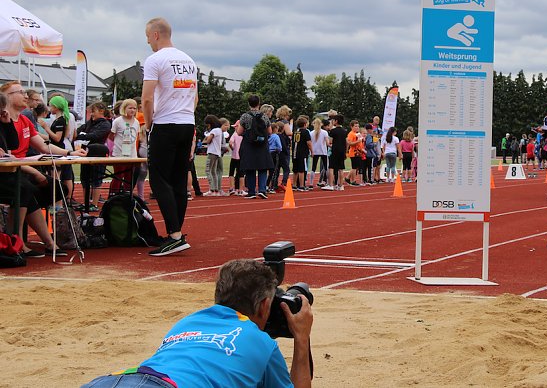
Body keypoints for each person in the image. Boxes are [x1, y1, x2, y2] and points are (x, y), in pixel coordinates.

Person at [81, 258, 313, 388]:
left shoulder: (186, 322)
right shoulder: (262, 341)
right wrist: (301, 338)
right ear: (264, 305)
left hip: (110, 381)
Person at [0, 83, 86, 256]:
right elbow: (8, 156)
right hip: (11, 171)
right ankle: (25, 241)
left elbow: (44, 147)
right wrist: (35, 172)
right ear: (7, 96)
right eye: (21, 92)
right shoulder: (10, 120)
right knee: (25, 190)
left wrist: (70, 152)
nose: (26, 96)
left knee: (57, 187)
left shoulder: (23, 120)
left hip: (18, 169)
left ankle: (43, 241)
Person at [141, 17, 198, 256]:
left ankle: (174, 235)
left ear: (155, 35)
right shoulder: (189, 60)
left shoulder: (155, 59)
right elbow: (195, 97)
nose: (147, 42)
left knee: (158, 179)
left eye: (147, 37)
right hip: (187, 123)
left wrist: (149, 125)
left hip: (166, 123)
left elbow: (146, 98)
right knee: (177, 180)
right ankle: (177, 233)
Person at [236, 95, 274, 200]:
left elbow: (239, 132)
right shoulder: (264, 116)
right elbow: (270, 131)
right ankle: (262, 190)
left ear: (249, 104)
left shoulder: (245, 116)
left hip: (249, 145)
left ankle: (251, 191)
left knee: (250, 168)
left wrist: (237, 128)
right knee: (262, 168)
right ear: (259, 104)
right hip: (262, 145)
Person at [203, 114, 225, 196]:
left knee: (208, 170)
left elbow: (207, 141)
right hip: (217, 153)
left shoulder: (214, 131)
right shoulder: (219, 130)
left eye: (207, 125)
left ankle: (211, 189)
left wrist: (204, 140)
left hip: (212, 152)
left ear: (210, 123)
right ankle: (216, 190)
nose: (207, 127)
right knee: (214, 171)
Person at [292, 116, 312, 191]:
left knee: (295, 170)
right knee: (302, 170)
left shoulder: (295, 132)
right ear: (304, 124)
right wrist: (312, 151)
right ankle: (301, 185)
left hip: (295, 153)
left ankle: (294, 185)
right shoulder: (306, 132)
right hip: (302, 153)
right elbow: (309, 143)